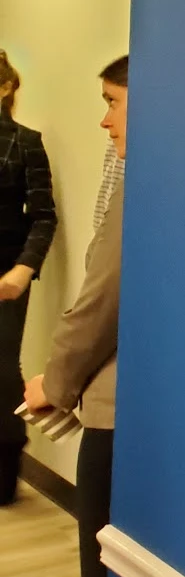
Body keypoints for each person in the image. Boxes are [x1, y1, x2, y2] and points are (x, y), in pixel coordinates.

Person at [21, 56, 127, 577]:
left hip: (117, 406)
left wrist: (56, 385)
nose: (103, 121)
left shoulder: (149, 186)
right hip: (128, 395)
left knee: (105, 547)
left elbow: (101, 302)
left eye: (113, 102)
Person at [0, 48, 57, 505]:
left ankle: (3, 477)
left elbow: (44, 216)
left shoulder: (26, 142)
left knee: (2, 371)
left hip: (5, 277)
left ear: (6, 88)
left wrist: (25, 267)